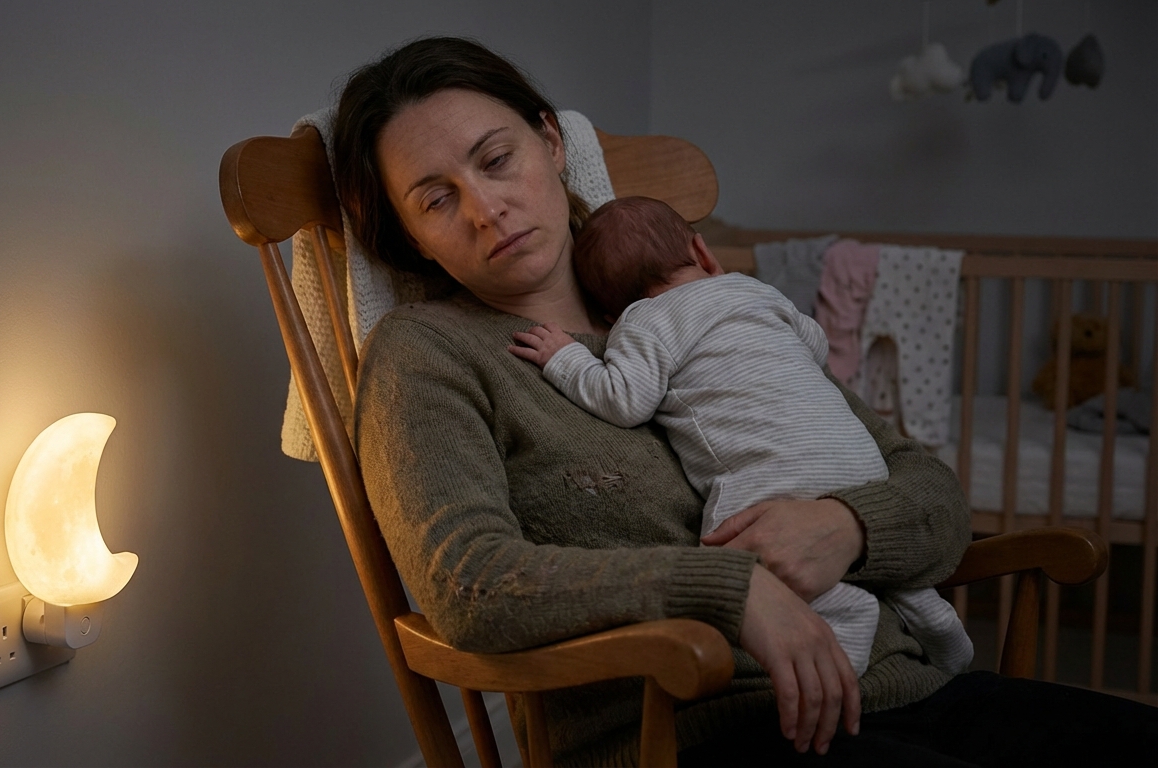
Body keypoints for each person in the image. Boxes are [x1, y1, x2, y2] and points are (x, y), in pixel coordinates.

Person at [330, 35, 1157, 766]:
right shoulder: (426, 355)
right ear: (411, 237)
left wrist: (849, 527)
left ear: (550, 142)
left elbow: (930, 491)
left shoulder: (703, 305)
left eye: (496, 158)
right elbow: (466, 583)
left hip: (907, 688)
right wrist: (728, 588)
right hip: (696, 730)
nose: (485, 208)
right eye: (436, 199)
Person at [506, 196, 973, 681]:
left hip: (774, 475)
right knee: (856, 548)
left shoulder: (644, 322)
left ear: (606, 313)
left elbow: (626, 400)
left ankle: (846, 610)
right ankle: (926, 607)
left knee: (728, 555)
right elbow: (814, 345)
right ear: (704, 254)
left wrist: (567, 358)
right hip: (857, 460)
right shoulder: (755, 291)